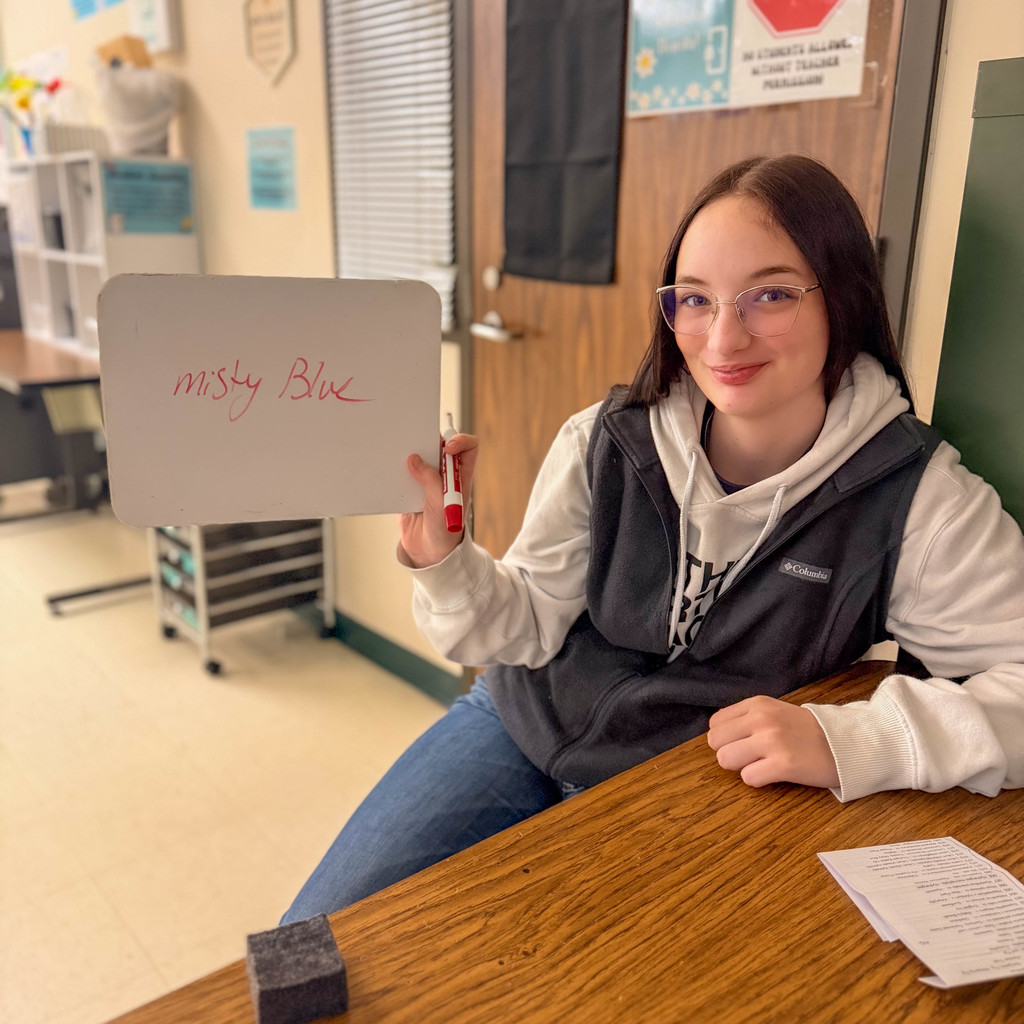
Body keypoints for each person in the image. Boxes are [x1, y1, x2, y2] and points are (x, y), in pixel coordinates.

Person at [281, 154, 1024, 924]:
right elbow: (522, 627)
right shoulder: (605, 442)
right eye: (695, 299)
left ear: (844, 297)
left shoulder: (916, 495)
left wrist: (854, 739)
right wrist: (444, 562)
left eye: (770, 295)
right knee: (312, 944)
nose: (723, 339)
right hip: (519, 721)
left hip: (691, 780)